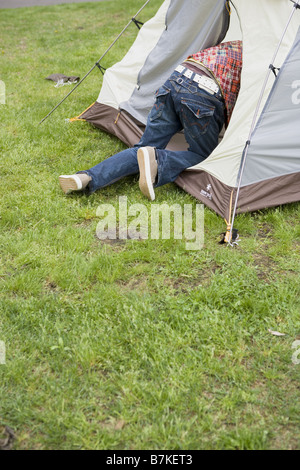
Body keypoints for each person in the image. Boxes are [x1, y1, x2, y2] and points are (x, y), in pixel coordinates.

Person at [59, 40, 242, 201]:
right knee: (202, 155)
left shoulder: (233, 45)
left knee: (143, 147)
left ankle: (85, 178)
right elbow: (240, 106)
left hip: (174, 80)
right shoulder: (255, 61)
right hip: (203, 92)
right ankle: (157, 159)